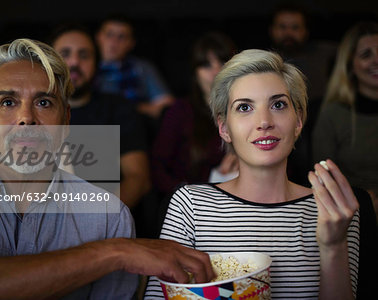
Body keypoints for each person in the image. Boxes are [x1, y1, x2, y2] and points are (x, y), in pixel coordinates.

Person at [0, 38, 216, 300]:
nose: (26, 118)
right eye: (8, 102)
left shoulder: (109, 217)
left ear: (66, 121)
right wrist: (113, 252)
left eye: (43, 102)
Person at [145, 49, 377, 299]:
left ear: (298, 120)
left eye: (278, 105)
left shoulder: (338, 210)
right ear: (224, 128)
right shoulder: (189, 204)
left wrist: (333, 246)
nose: (264, 121)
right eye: (244, 107)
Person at [50, 24, 151, 210]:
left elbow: (138, 177)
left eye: (84, 55)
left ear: (96, 63)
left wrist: (101, 218)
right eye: (64, 54)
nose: (74, 63)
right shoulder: (31, 113)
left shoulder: (119, 108)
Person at [151, 31, 238, 199]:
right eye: (206, 65)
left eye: (223, 62)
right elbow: (157, 170)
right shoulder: (180, 111)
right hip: (195, 204)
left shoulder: (250, 108)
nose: (216, 72)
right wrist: (190, 194)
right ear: (195, 72)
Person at [312, 21, 378, 225]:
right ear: (350, 64)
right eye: (366, 55)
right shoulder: (333, 114)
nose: (377, 60)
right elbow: (323, 179)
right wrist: (364, 200)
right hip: (357, 214)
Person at [268, 3, 337, 185]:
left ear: (305, 31)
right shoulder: (263, 61)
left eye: (295, 28)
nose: (288, 33)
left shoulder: (325, 53)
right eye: (282, 27)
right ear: (272, 30)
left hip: (319, 120)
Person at [94, 14, 174, 119]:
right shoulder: (87, 67)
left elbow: (167, 106)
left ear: (131, 43)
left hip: (134, 126)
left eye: (121, 37)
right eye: (109, 35)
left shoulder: (142, 68)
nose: (114, 42)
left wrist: (131, 108)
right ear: (98, 37)